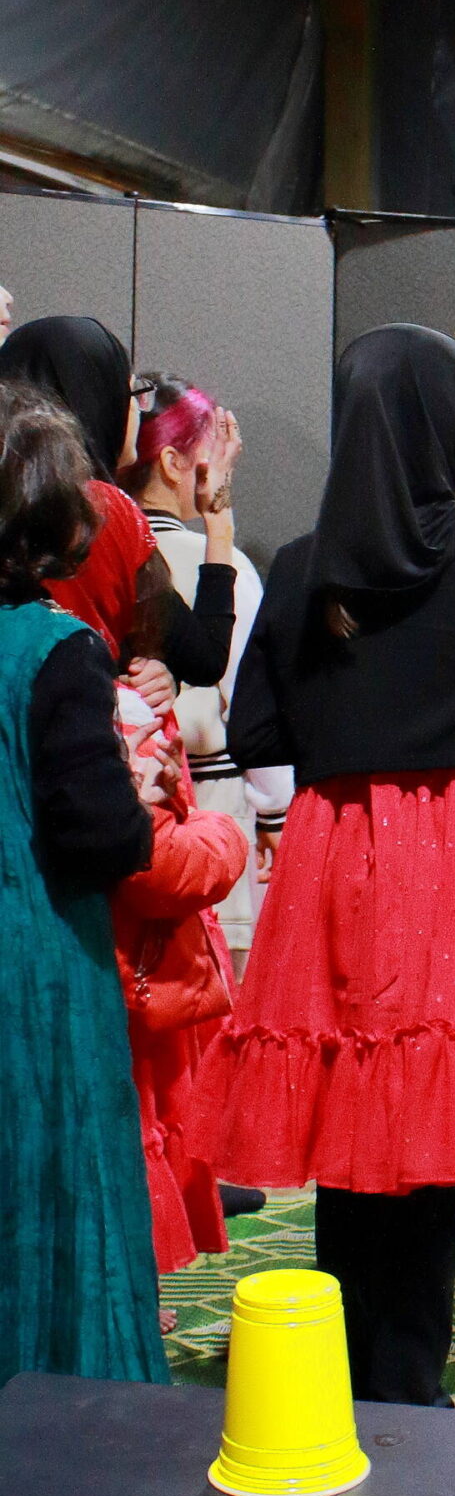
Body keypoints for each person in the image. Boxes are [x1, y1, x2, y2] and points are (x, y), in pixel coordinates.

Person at [187, 325, 455, 1405]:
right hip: (451, 851)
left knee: (346, 1092)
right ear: (446, 426)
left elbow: (255, 732)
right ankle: (408, 1378)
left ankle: (342, 1368)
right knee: (430, 1104)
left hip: (331, 845)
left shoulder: (307, 563)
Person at [0, 381, 165, 1387]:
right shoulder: (58, 650)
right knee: (60, 1188)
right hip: (37, 964)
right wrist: (136, 789)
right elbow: (101, 837)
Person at [124, 374, 292, 961]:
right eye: (213, 448)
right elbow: (250, 694)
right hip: (210, 809)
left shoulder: (94, 549)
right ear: (173, 463)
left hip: (121, 809)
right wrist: (275, 811)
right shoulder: (218, 561)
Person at [0, 317, 237, 692]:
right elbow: (206, 659)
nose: (139, 412)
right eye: (132, 394)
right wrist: (219, 520)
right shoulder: (100, 512)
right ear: (97, 398)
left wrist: (164, 673)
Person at [110, 680, 247, 1283]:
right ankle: (126, 1289)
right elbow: (164, 868)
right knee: (129, 1119)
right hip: (119, 977)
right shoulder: (114, 711)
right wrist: (221, 829)